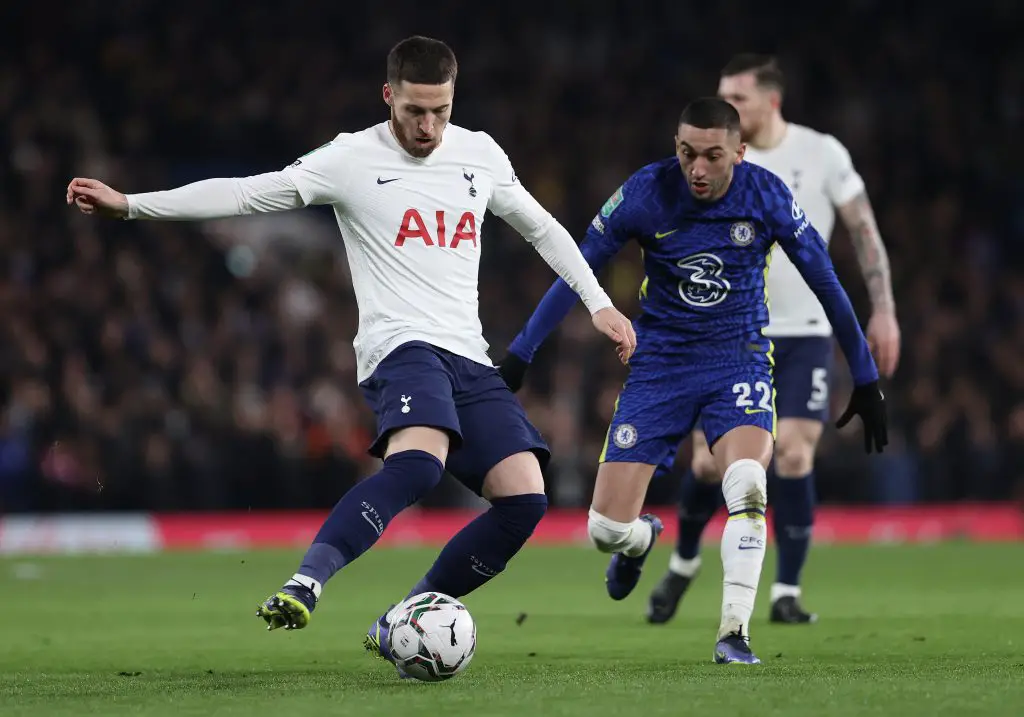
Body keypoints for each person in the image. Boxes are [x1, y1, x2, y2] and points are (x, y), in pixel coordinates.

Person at [66, 35, 635, 676]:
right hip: (400, 346)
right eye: (415, 111)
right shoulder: (350, 158)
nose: (428, 126)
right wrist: (134, 206)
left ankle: (403, 616)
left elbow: (542, 228)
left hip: (468, 354)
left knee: (525, 498)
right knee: (420, 465)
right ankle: (307, 582)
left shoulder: (480, 154)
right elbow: (250, 194)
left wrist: (597, 304)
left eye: (441, 111)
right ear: (388, 95)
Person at [497, 97, 887, 664]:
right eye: (686, 153)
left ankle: (734, 633)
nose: (697, 168)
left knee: (748, 484)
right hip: (660, 366)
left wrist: (866, 375)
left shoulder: (766, 195)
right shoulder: (645, 192)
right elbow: (579, 266)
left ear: (739, 151)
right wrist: (522, 352)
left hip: (739, 359)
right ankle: (642, 538)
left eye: (712, 155)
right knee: (605, 529)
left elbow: (827, 282)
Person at [647, 55, 900, 626]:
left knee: (791, 451)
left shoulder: (822, 153)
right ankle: (685, 563)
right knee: (710, 467)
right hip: (731, 334)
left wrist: (882, 308)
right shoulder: (710, 164)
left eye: (737, 96)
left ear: (772, 101)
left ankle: (785, 590)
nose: (726, 108)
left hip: (805, 333)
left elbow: (863, 229)